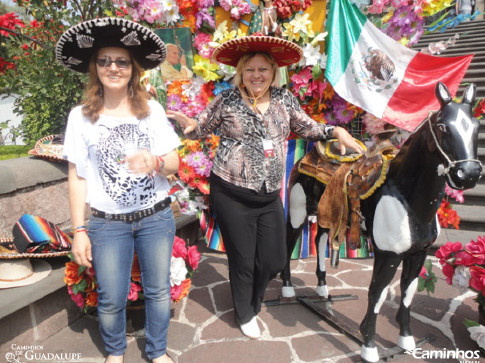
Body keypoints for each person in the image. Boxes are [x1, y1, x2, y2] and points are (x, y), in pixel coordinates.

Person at [167, 35, 364, 339]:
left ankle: (250, 301)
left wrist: (336, 129)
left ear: (273, 72)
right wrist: (188, 124)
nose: (256, 75)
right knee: (243, 260)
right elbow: (200, 128)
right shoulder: (227, 100)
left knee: (273, 259)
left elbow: (308, 127)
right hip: (231, 193)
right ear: (241, 72)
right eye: (250, 69)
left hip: (269, 195)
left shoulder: (285, 100)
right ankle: (246, 311)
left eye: (263, 69)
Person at [56, 17, 180, 363]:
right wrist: (79, 230)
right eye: (104, 60)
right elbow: (77, 176)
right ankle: (115, 352)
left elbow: (174, 163)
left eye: (122, 61)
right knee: (110, 296)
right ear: (94, 68)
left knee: (157, 291)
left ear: (133, 68)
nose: (113, 67)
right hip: (107, 223)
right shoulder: (80, 117)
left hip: (155, 217)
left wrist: (154, 162)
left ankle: (156, 352)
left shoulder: (151, 111)